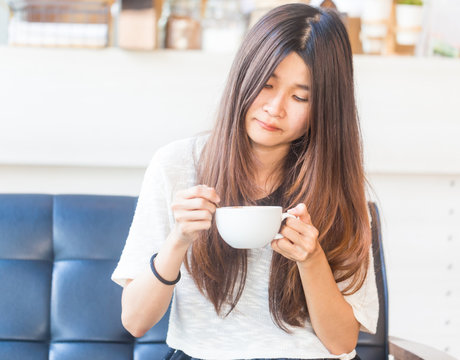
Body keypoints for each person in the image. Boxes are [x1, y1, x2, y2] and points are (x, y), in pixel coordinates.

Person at [111, 3, 378, 360]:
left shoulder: (336, 185)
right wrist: (178, 240)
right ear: (244, 77)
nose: (275, 108)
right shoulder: (176, 165)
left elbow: (342, 343)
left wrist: (311, 260)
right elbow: (135, 320)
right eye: (267, 85)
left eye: (300, 96)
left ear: (325, 108)